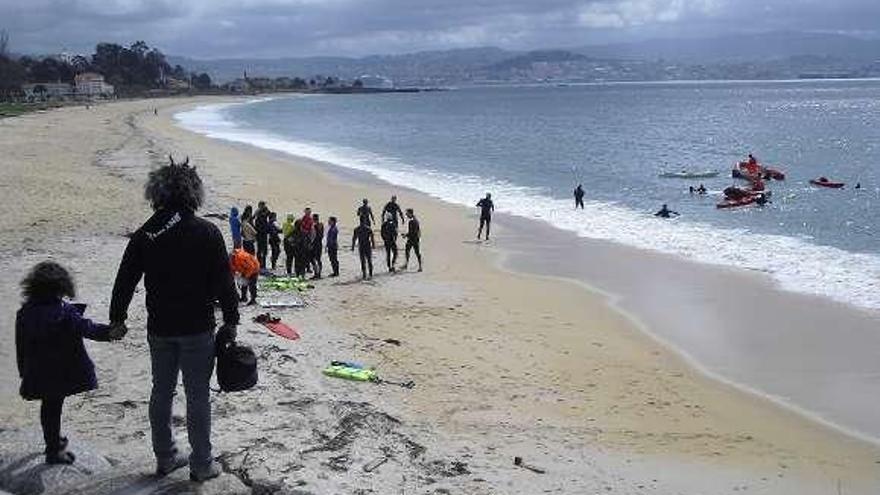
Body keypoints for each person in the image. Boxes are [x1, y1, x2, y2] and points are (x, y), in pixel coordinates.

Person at [110, 159, 240, 482]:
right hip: (197, 327)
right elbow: (225, 281)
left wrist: (118, 318)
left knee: (161, 392)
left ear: (157, 193)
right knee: (198, 396)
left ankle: (166, 457)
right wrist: (232, 320)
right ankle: (200, 464)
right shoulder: (207, 231)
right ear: (193, 193)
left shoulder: (147, 233)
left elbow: (125, 279)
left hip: (160, 327)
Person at [16, 261, 123, 465]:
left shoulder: (25, 312)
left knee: (48, 407)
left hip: (38, 371)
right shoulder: (64, 312)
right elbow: (88, 328)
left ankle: (53, 441)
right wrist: (110, 332)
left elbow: (21, 345)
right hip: (62, 371)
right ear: (62, 287)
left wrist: (24, 371)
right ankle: (53, 450)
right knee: (54, 406)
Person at [254, 201, 270, 269]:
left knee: (264, 250)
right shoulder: (258, 214)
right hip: (260, 234)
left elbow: (269, 213)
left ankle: (263, 265)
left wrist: (265, 209)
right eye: (261, 206)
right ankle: (260, 264)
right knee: (260, 250)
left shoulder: (263, 212)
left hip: (263, 234)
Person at [311, 213, 324, 279]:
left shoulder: (314, 226)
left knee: (314, 259)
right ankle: (318, 273)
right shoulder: (321, 225)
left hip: (315, 244)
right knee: (318, 259)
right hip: (319, 244)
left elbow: (313, 236)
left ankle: (317, 273)